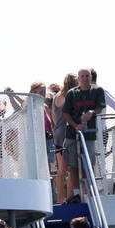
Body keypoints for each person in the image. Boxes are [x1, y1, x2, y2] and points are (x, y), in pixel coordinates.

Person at [63, 68, 105, 203]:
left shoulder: (97, 90)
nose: (85, 78)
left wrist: (92, 113)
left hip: (90, 134)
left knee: (88, 164)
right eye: (82, 76)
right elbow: (65, 113)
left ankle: (87, 194)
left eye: (87, 76)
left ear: (90, 77)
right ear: (78, 78)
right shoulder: (71, 93)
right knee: (73, 165)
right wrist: (76, 126)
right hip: (73, 134)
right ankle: (76, 194)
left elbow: (100, 107)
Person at [51, 74, 75, 205]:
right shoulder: (71, 96)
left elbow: (54, 117)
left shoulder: (56, 97)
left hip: (58, 133)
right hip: (68, 134)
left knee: (61, 169)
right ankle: (70, 196)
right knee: (72, 168)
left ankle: (60, 198)